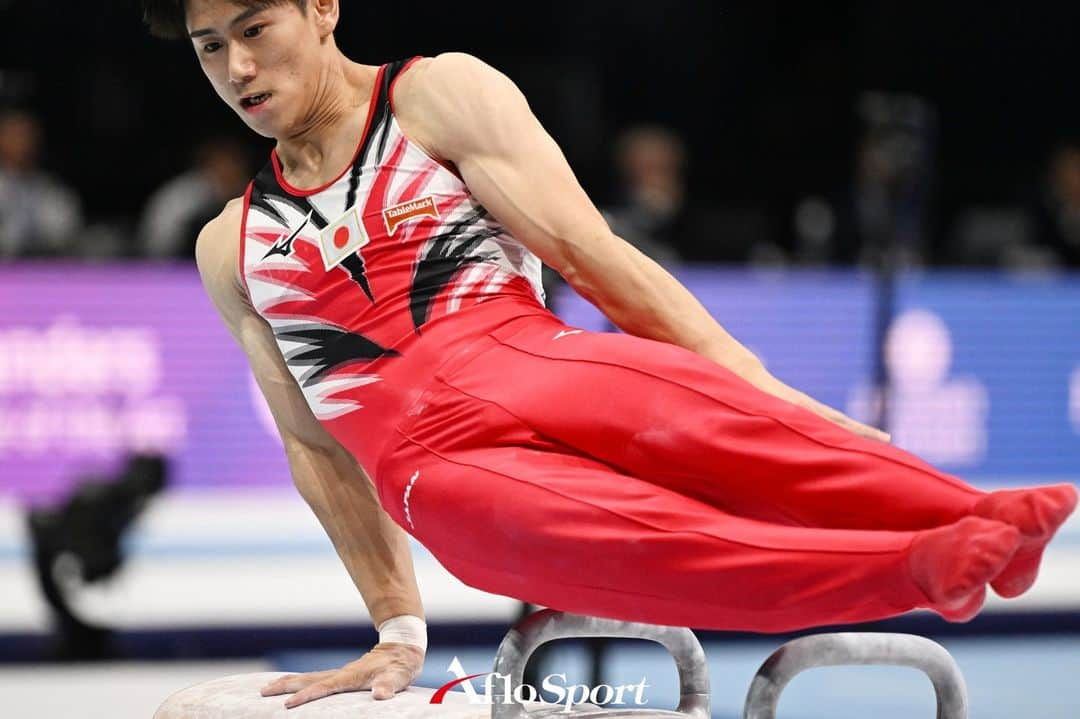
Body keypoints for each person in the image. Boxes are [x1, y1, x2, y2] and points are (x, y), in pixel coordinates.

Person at [142, 0, 1077, 710]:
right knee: (665, 544)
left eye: (254, 28)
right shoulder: (233, 245)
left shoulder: (434, 96)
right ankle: (927, 563)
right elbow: (315, 446)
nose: (237, 65)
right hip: (439, 476)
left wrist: (761, 391)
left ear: (321, 7)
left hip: (528, 358)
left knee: (712, 421)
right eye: (209, 48)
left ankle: (984, 512)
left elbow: (594, 256)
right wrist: (397, 620)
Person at [136, 135, 252, 260]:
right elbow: (160, 240)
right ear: (210, 163)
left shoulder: (245, 190)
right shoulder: (186, 194)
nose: (232, 168)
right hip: (167, 260)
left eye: (235, 162)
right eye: (227, 162)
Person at [0, 108, 83, 258]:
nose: (22, 143)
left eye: (28, 136)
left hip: (44, 273)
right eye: (14, 135)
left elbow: (66, 235)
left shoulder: (53, 192)